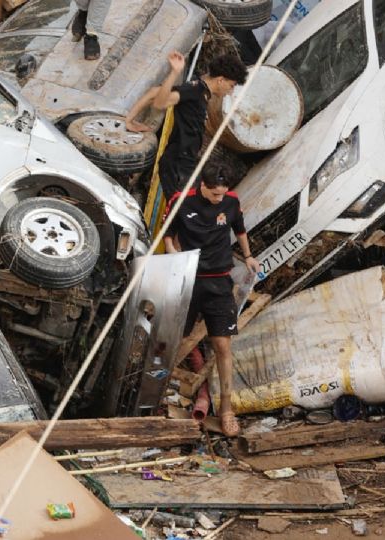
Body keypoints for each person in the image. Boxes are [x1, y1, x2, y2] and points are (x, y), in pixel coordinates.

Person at [162, 162, 260, 436]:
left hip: (219, 283)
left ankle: (227, 409)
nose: (219, 199)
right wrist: (172, 253)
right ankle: (156, 398)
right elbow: (168, 234)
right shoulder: (181, 201)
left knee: (222, 346)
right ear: (202, 186)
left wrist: (249, 256)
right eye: (214, 194)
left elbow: (239, 229)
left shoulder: (230, 201)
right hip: (189, 281)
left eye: (222, 194)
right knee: (171, 340)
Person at [125, 52, 248, 198]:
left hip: (185, 165)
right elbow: (159, 103)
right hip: (177, 166)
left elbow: (154, 92)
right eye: (231, 85)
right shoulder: (195, 91)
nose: (230, 91)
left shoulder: (199, 89)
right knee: (182, 212)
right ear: (221, 80)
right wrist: (175, 72)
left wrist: (129, 119)